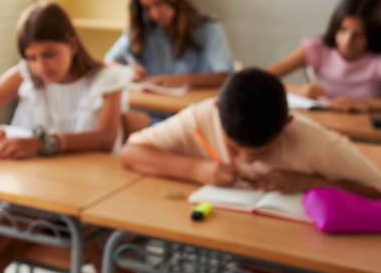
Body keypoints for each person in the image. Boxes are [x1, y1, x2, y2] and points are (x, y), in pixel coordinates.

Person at [0, 1, 136, 273]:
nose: (40, 66)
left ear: (72, 44)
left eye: (49, 54)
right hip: (38, 199)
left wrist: (42, 142)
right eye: (31, 57)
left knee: (116, 267)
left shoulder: (107, 79)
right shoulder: (25, 75)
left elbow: (104, 138)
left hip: (94, 199)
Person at [120, 68, 381, 197]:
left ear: (287, 124)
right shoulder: (202, 114)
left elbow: (376, 191)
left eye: (262, 153)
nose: (245, 160)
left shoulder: (320, 143)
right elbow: (130, 153)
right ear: (216, 112)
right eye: (234, 149)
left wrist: (308, 184)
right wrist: (197, 170)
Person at [105, 0, 233, 89]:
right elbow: (109, 61)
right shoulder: (143, 28)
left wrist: (181, 80)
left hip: (189, 106)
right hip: (151, 105)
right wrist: (126, 71)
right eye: (147, 8)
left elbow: (224, 76)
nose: (155, 13)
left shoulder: (208, 28)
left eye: (159, 3)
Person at [267, 0, 381, 113]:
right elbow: (259, 79)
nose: (347, 40)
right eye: (342, 29)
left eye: (358, 35)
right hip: (320, 123)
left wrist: (368, 104)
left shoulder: (377, 58)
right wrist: (297, 90)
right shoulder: (317, 48)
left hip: (363, 129)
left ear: (374, 35)